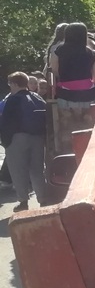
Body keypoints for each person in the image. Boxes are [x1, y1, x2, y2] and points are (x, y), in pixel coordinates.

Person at [0, 72, 47, 212]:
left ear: (15, 84)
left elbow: (5, 121)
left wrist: (6, 142)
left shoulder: (12, 99)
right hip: (37, 137)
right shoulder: (37, 98)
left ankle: (23, 202)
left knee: (18, 171)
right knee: (38, 170)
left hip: (17, 138)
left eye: (10, 84)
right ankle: (43, 199)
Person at [51, 22, 95, 104]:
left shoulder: (58, 51)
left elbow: (55, 71)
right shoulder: (92, 53)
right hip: (87, 93)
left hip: (65, 92)